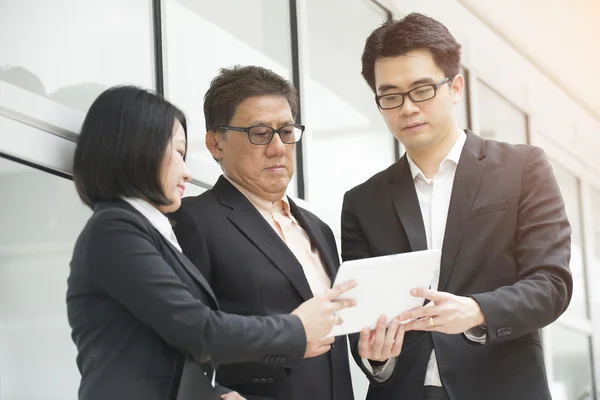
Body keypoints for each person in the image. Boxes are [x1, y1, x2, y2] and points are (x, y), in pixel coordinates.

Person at [67, 85, 356, 400]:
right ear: (136, 150)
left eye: (286, 131)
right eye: (178, 153)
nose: (188, 172)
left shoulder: (143, 230)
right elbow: (200, 330)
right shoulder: (115, 230)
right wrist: (296, 330)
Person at [341, 13, 573, 400]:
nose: (408, 108)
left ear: (456, 86)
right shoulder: (363, 202)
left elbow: (551, 284)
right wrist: (374, 356)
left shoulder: (523, 167)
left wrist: (476, 311)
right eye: (390, 96)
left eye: (422, 90)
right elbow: (360, 315)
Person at [170, 66, 365, 400]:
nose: (278, 148)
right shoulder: (192, 221)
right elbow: (181, 341)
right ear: (216, 142)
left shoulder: (319, 229)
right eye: (259, 133)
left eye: (286, 131)